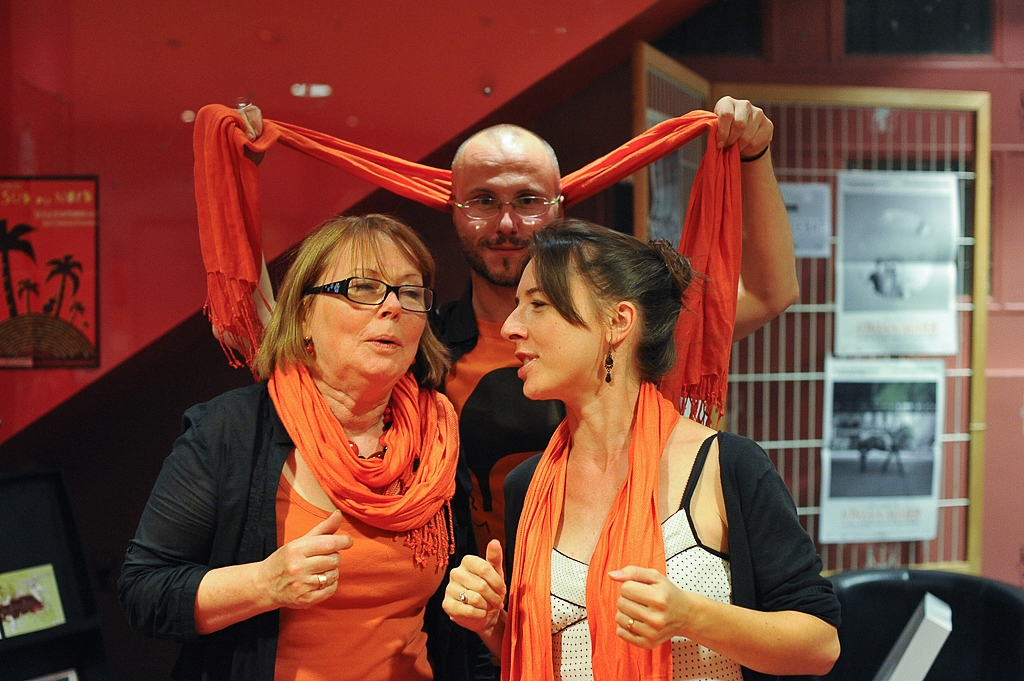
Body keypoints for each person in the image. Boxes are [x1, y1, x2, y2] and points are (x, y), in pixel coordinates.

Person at [235, 98, 799, 555]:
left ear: (559, 206)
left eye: (528, 200)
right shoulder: (416, 339)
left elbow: (770, 294)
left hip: (611, 593)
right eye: (483, 201)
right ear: (453, 208)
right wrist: (238, 179)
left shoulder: (617, 329)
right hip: (462, 611)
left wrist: (754, 156)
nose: (506, 223)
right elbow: (278, 337)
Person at [442, 219, 840, 681]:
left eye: (538, 304)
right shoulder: (529, 485)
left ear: (618, 322)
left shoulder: (724, 465)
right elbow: (543, 651)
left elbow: (820, 644)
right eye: (517, 306)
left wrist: (691, 616)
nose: (511, 326)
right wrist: (492, 623)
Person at [119, 214, 483, 681]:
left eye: (410, 293)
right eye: (363, 288)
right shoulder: (229, 431)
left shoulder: (438, 434)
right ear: (304, 315)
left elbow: (457, 610)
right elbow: (144, 590)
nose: (393, 307)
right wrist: (263, 584)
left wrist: (479, 604)